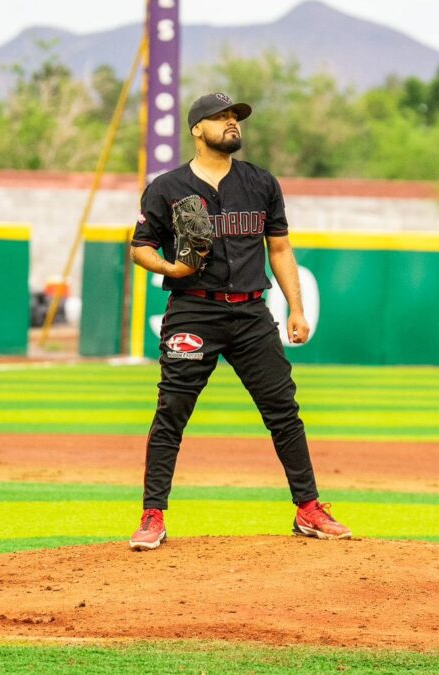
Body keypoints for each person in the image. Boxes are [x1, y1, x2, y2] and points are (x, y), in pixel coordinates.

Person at [127, 92, 351, 551]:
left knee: (283, 411)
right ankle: (153, 515)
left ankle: (308, 508)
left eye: (236, 117)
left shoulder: (261, 183)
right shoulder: (167, 187)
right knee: (172, 412)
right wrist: (170, 270)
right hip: (194, 309)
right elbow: (140, 247)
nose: (232, 124)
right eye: (221, 117)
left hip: (251, 312)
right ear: (197, 129)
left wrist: (297, 308)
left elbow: (280, 249)